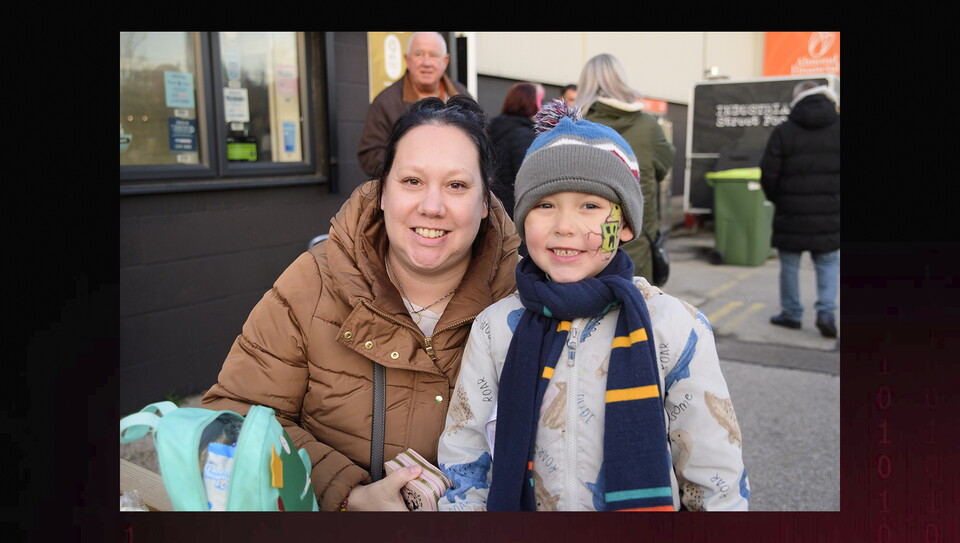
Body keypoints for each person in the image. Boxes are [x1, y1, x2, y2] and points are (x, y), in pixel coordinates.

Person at [202, 95, 521, 511]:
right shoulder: (312, 283)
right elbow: (232, 419)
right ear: (383, 191)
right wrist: (346, 494)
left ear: (484, 202)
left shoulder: (526, 301)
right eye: (412, 181)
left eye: (456, 185)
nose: (432, 206)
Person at [436, 102, 749, 511]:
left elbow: (713, 471)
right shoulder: (497, 328)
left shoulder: (674, 326)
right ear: (522, 219)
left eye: (590, 206)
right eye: (545, 205)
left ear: (626, 225)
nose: (564, 226)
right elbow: (465, 456)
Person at [576, 54, 675, 282]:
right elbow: (663, 166)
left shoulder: (574, 126)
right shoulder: (648, 126)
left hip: (583, 241)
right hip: (635, 237)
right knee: (636, 304)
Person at [760, 81, 840, 338]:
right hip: (830, 210)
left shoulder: (784, 131)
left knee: (790, 264)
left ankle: (792, 314)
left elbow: (769, 173)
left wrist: (779, 198)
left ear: (797, 100)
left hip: (791, 211)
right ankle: (826, 312)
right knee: (828, 261)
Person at [357, 31, 472, 180]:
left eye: (434, 55)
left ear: (445, 61)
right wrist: (409, 172)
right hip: (408, 192)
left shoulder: (461, 95)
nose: (426, 63)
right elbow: (369, 155)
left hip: (455, 187)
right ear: (407, 59)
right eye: (419, 54)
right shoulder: (385, 102)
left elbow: (482, 142)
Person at [488, 82, 539, 223]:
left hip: (495, 205)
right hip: (515, 210)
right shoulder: (524, 134)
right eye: (540, 100)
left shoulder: (494, 128)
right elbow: (528, 178)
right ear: (530, 102)